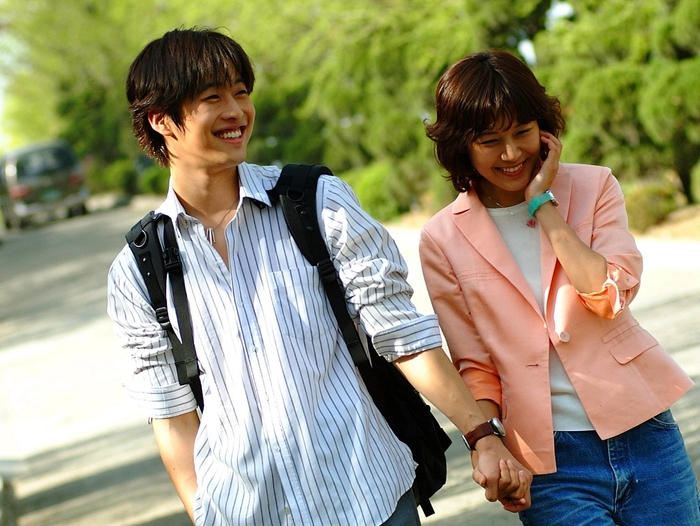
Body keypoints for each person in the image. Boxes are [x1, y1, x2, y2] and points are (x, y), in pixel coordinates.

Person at [107, 29, 532, 525]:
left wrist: (481, 435)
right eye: (212, 98)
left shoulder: (315, 203)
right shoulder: (139, 269)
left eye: (241, 93)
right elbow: (173, 416)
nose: (237, 111)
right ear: (161, 120)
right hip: (248, 513)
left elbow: (401, 335)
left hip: (369, 499)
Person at [419, 49, 700, 525]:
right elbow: (475, 366)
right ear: (461, 146)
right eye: (490, 141)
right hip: (549, 462)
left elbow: (609, 297)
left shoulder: (595, 187)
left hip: (645, 432)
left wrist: (543, 205)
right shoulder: (442, 238)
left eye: (522, 133)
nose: (512, 154)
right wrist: (486, 444)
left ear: (544, 129)